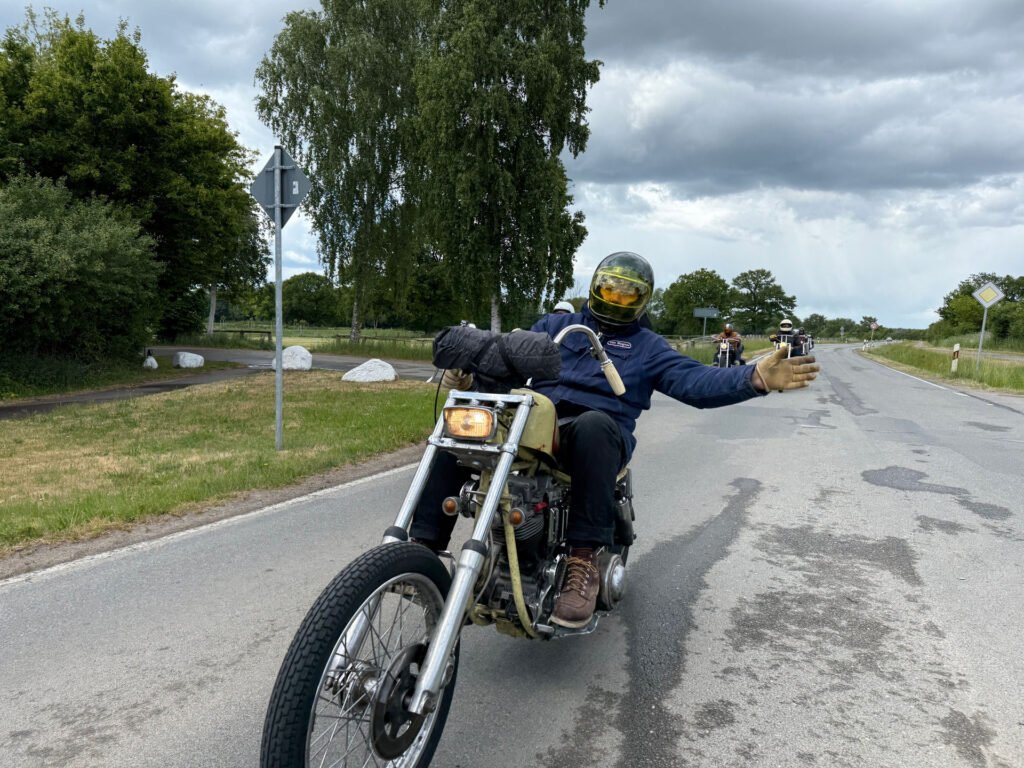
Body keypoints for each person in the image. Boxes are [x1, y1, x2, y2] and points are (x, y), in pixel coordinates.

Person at [414, 252, 818, 628]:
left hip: (594, 435)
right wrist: (469, 378)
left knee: (595, 423)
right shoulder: (555, 326)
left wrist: (753, 378)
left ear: (642, 301)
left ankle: (582, 563)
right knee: (465, 424)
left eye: (628, 293)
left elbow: (697, 382)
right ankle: (421, 550)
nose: (617, 299)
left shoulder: (649, 347)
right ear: (595, 287)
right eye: (610, 289)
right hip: (536, 422)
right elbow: (509, 364)